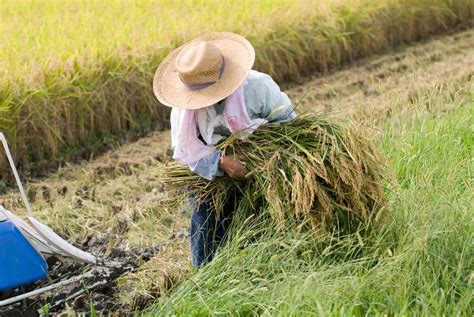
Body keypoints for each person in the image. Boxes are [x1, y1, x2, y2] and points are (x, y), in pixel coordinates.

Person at [153, 32, 296, 267]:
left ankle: (262, 264)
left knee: (260, 220)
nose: (204, 100)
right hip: (210, 168)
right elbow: (187, 151)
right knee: (207, 219)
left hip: (262, 161)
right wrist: (221, 162)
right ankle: (208, 273)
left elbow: (289, 124)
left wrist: (260, 154)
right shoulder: (183, 108)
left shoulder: (258, 87)